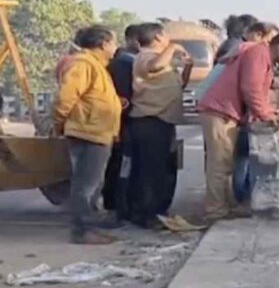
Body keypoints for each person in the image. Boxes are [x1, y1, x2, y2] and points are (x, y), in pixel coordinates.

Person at [197, 31, 279, 222]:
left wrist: (268, 112)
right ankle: (215, 210)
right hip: (220, 111)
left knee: (226, 163)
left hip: (226, 112)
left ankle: (225, 205)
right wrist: (266, 115)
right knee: (219, 164)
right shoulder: (259, 54)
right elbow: (251, 89)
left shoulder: (264, 58)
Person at [52, 25, 122, 244]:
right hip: (88, 132)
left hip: (98, 132)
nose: (116, 47)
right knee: (86, 185)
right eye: (114, 42)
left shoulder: (96, 65)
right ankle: (81, 230)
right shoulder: (83, 64)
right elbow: (65, 98)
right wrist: (59, 123)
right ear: (103, 44)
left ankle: (90, 225)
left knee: (93, 184)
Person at [129, 22, 193, 229]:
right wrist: (172, 47)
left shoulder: (162, 59)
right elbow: (154, 66)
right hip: (150, 120)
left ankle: (159, 211)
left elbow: (178, 84)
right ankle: (147, 214)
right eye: (165, 36)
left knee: (165, 169)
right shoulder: (145, 56)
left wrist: (188, 67)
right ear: (157, 37)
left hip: (164, 120)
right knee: (151, 171)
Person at [102, 24, 140, 221]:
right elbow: (123, 99)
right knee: (120, 166)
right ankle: (117, 208)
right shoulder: (123, 64)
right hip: (121, 124)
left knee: (119, 166)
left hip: (120, 123)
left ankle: (116, 205)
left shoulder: (125, 62)